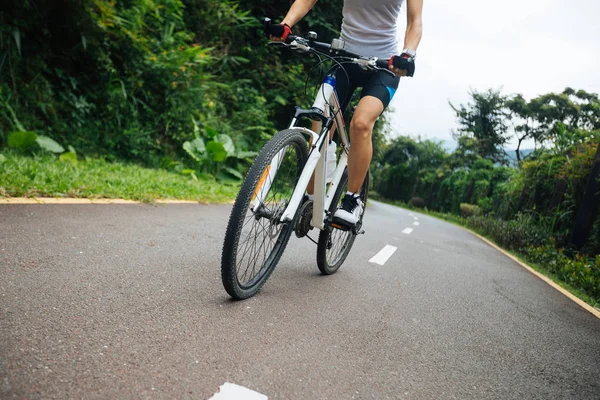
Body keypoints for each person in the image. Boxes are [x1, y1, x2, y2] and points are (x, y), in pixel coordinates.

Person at [267, 0, 423, 227]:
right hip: (344, 57)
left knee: (360, 124)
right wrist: (286, 25)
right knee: (319, 122)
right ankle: (310, 199)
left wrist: (407, 55)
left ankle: (352, 199)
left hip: (384, 67)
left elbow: (415, 22)